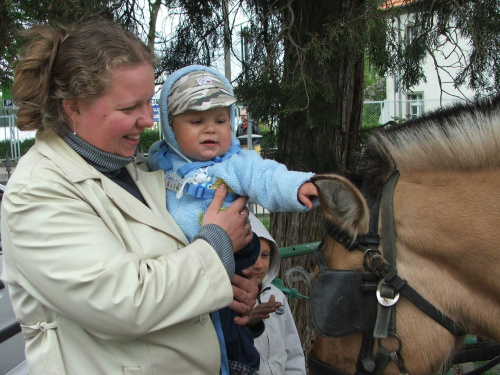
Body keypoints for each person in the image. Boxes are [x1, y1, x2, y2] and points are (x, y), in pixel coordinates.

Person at [1, 21, 258, 375]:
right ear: (72, 107)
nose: (147, 120)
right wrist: (218, 246)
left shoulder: (127, 166)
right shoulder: (38, 191)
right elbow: (123, 301)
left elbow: (190, 228)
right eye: (128, 108)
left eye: (150, 102)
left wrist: (251, 262)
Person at [147, 64, 318, 374]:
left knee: (231, 314)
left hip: (235, 252)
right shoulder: (157, 165)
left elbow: (266, 177)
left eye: (221, 120)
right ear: (170, 127)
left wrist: (296, 187)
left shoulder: (234, 163)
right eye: (196, 120)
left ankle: (240, 363)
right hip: (184, 265)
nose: (210, 129)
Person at [247, 214, 307, 375]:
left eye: (265, 255)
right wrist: (248, 324)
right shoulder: (228, 300)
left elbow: (292, 349)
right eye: (251, 255)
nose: (259, 265)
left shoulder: (277, 296)